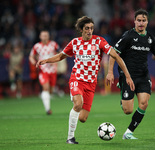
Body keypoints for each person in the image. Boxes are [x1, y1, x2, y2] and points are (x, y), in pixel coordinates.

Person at [36, 16, 134, 144]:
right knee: (78, 104)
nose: (90, 31)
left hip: (91, 83)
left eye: (92, 28)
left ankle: (76, 99)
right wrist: (46, 60)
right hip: (77, 78)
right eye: (87, 28)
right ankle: (70, 138)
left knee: (82, 118)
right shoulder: (75, 43)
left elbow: (115, 55)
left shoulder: (99, 41)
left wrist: (125, 75)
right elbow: (61, 56)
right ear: (81, 29)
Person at [106, 9, 155, 140]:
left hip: (143, 75)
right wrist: (110, 72)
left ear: (147, 22)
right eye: (139, 20)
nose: (141, 23)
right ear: (134, 21)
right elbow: (113, 53)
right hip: (128, 76)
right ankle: (122, 87)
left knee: (144, 103)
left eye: (143, 20)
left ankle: (128, 132)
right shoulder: (128, 36)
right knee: (127, 110)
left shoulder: (150, 38)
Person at [29, 30, 60, 115]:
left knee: (50, 91)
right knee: (45, 88)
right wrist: (33, 62)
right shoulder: (37, 46)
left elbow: (60, 53)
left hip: (53, 70)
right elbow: (31, 56)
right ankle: (48, 109)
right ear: (40, 37)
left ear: (48, 36)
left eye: (46, 35)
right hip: (43, 70)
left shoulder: (53, 44)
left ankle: (47, 97)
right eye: (43, 35)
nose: (45, 37)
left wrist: (56, 61)